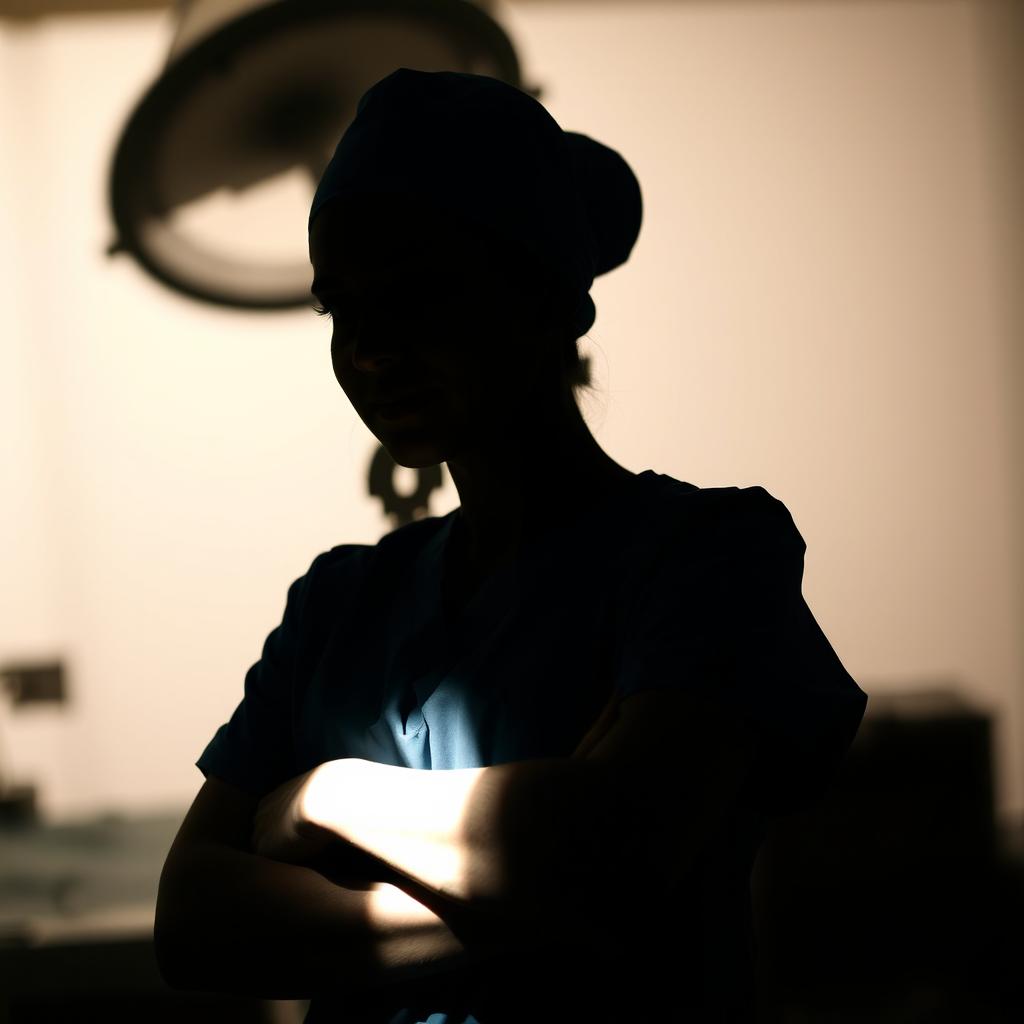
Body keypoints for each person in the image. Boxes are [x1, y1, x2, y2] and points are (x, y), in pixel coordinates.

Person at [157, 69, 869, 1024]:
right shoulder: (339, 601)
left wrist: (323, 797)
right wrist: (534, 897)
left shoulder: (707, 559)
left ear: (553, 302)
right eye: (341, 310)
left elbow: (607, 847)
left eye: (417, 294)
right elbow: (193, 922)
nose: (369, 349)